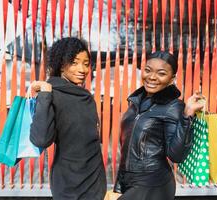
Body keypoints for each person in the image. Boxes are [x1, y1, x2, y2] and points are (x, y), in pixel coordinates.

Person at [113, 51, 205, 200]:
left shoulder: (172, 106)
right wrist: (119, 184)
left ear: (172, 79)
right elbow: (127, 147)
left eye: (161, 73)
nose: (152, 77)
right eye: (148, 70)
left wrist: (187, 115)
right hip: (129, 180)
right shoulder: (136, 101)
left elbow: (176, 155)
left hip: (153, 182)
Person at [30, 37, 107, 200]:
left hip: (95, 182)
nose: (82, 69)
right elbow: (41, 140)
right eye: (74, 62)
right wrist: (44, 94)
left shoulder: (86, 97)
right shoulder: (52, 95)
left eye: (86, 64)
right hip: (68, 186)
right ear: (60, 64)